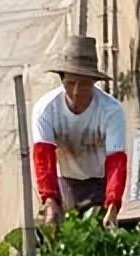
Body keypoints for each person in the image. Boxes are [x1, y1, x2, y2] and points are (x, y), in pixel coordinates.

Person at [30, 35, 128, 230]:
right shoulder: (46, 109)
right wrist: (49, 198)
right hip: (64, 180)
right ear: (62, 79)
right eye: (71, 83)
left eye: (84, 84)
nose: (76, 91)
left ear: (94, 82)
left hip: (100, 181)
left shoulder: (111, 111)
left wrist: (113, 203)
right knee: (57, 229)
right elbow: (43, 158)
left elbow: (116, 161)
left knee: (97, 233)